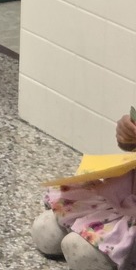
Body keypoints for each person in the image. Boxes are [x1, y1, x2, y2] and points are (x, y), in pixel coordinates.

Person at [31, 112, 136, 270]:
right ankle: (89, 226)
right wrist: (127, 133)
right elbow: (128, 144)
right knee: (44, 230)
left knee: (79, 250)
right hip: (125, 191)